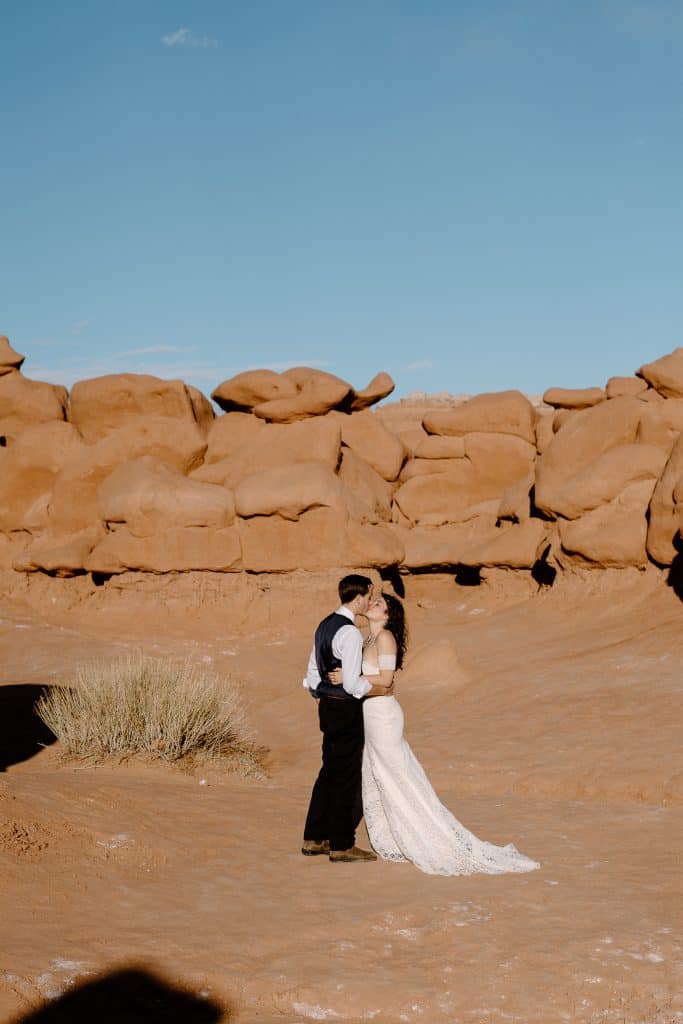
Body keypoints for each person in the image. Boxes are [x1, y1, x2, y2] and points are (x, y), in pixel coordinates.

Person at [331, 593, 540, 877]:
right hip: (369, 715)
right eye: (373, 599)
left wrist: (350, 680)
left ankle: (430, 833)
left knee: (398, 774)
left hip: (383, 716)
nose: (372, 603)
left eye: (379, 603)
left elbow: (386, 681)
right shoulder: (367, 638)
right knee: (376, 772)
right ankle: (392, 834)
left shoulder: (385, 639)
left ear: (388, 614)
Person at [301, 574, 393, 863]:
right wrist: (379, 688)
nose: (369, 600)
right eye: (369, 595)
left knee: (328, 770)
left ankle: (314, 837)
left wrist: (321, 693)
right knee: (346, 775)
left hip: (327, 706)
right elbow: (353, 684)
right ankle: (341, 843)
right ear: (358, 598)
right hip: (345, 708)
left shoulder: (325, 624)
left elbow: (312, 672)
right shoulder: (351, 633)